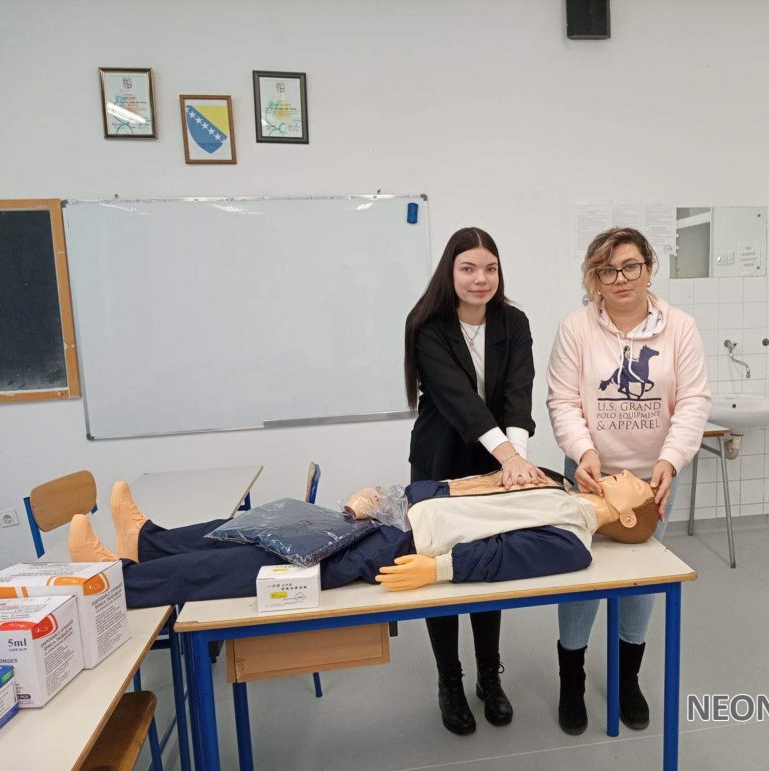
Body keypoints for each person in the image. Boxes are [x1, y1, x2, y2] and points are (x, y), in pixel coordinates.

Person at [546, 226, 711, 735]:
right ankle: (571, 682)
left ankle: (627, 678)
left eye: (630, 267)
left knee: (641, 579)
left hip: (652, 479)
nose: (620, 279)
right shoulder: (575, 328)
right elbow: (563, 401)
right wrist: (584, 453)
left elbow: (693, 402)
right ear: (593, 278)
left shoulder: (680, 328)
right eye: (607, 270)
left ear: (649, 268)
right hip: (590, 478)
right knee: (580, 579)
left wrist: (671, 460)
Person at [66, 474, 658, 607]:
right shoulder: (555, 484)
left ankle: (118, 583)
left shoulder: (574, 542)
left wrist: (438, 571)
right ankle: (148, 543)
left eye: (634, 485)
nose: (625, 474)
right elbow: (462, 485)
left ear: (629, 519)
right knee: (274, 526)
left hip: (405, 548)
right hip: (397, 521)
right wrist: (389, 493)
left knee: (259, 564)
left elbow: (504, 558)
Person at [404, 226, 545, 734]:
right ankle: (450, 680)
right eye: (468, 268)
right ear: (450, 272)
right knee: (438, 571)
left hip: (496, 464)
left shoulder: (514, 321)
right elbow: (459, 401)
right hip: (440, 461)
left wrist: (516, 462)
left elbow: (519, 393)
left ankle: (489, 675)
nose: (480, 279)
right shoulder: (427, 326)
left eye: (490, 268)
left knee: (488, 566)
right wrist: (509, 458)